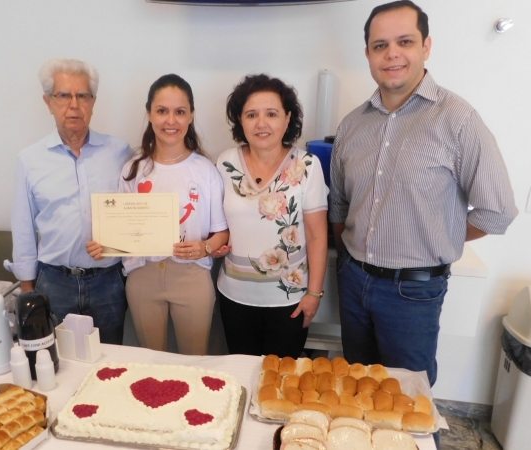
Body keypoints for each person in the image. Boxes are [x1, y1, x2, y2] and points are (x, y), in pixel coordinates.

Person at [330, 0, 518, 386]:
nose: (392, 53)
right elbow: (339, 205)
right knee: (355, 390)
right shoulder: (352, 125)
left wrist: (438, 234)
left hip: (412, 292)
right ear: (368, 53)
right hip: (352, 280)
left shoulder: (457, 119)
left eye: (405, 41)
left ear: (425, 47)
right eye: (380, 45)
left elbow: (497, 211)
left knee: (409, 399)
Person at [87, 74, 229, 355]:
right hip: (143, 276)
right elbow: (124, 230)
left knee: (195, 363)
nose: (170, 121)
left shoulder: (205, 170)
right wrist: (105, 245)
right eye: (162, 111)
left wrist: (204, 247)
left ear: (191, 116)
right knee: (150, 361)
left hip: (192, 278)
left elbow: (221, 232)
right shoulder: (133, 169)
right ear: (149, 114)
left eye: (180, 112)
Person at [5, 58, 132, 345]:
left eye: (82, 95)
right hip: (54, 283)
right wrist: (28, 289)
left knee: (110, 362)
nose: (74, 104)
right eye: (64, 95)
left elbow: (134, 215)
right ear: (48, 101)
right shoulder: (30, 160)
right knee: (58, 365)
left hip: (109, 282)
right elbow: (23, 227)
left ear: (93, 102)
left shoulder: (119, 152)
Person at [215, 74, 328, 359]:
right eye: (251, 114)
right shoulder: (225, 162)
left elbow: (317, 235)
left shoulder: (307, 165)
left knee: (280, 382)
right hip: (234, 296)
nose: (261, 123)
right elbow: (221, 224)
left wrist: (314, 294)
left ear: (287, 119)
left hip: (289, 300)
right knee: (242, 374)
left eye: (271, 114)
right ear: (240, 120)